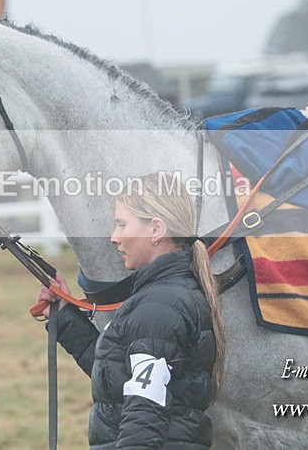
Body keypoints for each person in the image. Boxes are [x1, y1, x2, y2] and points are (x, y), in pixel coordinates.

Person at [35, 173, 226, 449]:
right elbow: (121, 379)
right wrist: (65, 317)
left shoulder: (158, 307)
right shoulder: (162, 296)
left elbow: (144, 412)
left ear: (156, 230)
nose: (114, 237)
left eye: (122, 224)